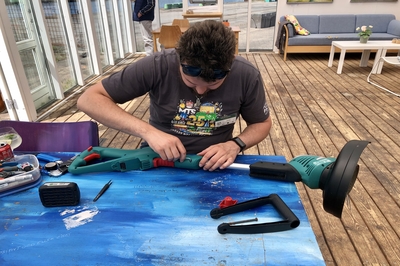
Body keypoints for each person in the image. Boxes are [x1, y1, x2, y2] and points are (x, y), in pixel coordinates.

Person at [77, 20, 272, 171]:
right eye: (192, 83)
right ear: (179, 59)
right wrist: (148, 132)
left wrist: (235, 144)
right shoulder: (157, 65)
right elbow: (88, 99)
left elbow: (262, 123)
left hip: (215, 163)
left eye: (213, 84)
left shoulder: (246, 74)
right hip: (157, 160)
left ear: (230, 65)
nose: (201, 92)